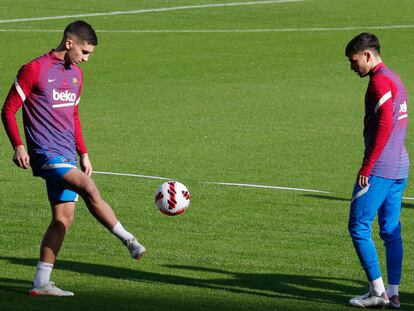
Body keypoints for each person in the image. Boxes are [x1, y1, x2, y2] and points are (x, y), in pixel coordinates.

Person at [1, 20, 146, 297]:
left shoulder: (76, 75)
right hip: (45, 153)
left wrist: (84, 152)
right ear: (69, 43)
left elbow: (73, 116)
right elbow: (8, 110)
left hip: (67, 153)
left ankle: (41, 283)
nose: (86, 59)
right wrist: (18, 145)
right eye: (84, 52)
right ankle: (129, 240)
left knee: (62, 220)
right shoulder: (34, 69)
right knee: (89, 187)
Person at [345, 33, 409, 309]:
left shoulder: (379, 82)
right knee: (391, 231)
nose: (352, 67)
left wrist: (367, 166)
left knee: (358, 226)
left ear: (367, 55)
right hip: (400, 166)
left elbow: (385, 126)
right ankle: (393, 293)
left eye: (354, 60)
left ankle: (377, 292)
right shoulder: (395, 78)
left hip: (381, 168)